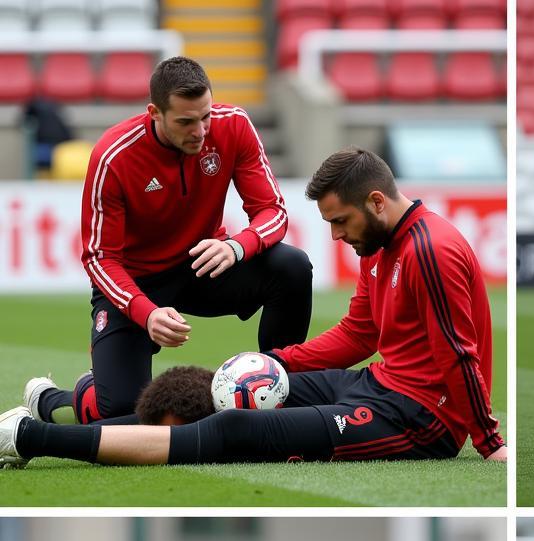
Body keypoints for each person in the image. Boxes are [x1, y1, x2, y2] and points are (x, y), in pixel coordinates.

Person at [0, 149, 507, 468]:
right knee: (215, 392)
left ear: (377, 202)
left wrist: (488, 442)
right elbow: (358, 335)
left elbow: (459, 355)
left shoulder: (428, 250)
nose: (335, 234)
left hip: (419, 419)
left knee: (233, 428)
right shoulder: (378, 247)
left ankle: (35, 438)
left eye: (340, 221)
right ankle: (51, 415)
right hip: (379, 383)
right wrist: (274, 365)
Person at [24, 55, 312, 425]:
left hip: (203, 263)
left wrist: (236, 246)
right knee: (125, 413)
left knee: (291, 267)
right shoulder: (113, 157)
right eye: (185, 122)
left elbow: (274, 211)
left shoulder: (234, 125)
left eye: (205, 116)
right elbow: (99, 258)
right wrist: (147, 312)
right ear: (154, 113)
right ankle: (57, 399)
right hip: (137, 284)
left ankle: (279, 389)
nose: (200, 130)